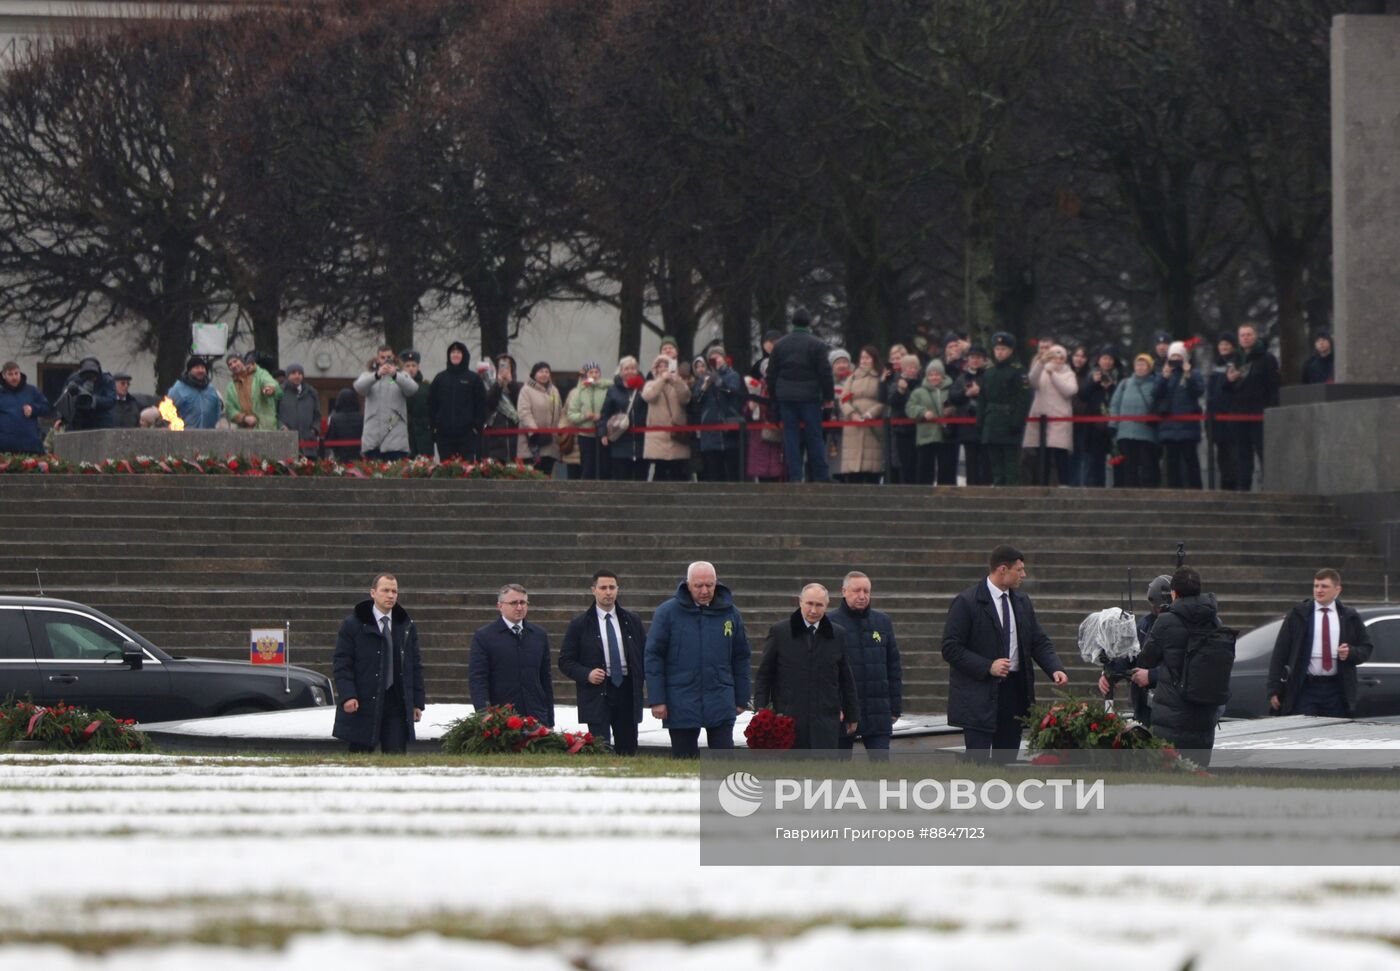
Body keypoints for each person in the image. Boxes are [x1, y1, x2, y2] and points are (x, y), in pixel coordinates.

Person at [941, 545, 1068, 763]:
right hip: (978, 694)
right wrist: (987, 666)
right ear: (1002, 569)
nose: (1023, 575)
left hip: (1014, 692)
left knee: (1007, 762)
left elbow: (1037, 640)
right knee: (977, 764)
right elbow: (951, 648)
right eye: (1019, 570)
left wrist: (1055, 667)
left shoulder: (1021, 602)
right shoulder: (967, 602)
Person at [645, 561, 751, 758]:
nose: (704, 591)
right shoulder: (667, 613)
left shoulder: (730, 613)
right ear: (688, 584)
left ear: (716, 583)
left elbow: (741, 656)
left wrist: (741, 697)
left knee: (724, 761)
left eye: (709, 585)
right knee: (684, 760)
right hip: (680, 699)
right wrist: (657, 699)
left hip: (720, 696)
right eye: (698, 585)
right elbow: (654, 656)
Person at [1134, 566, 1225, 763]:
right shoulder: (1215, 622)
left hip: (1171, 715)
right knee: (1199, 777)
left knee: (1169, 777)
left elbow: (1147, 658)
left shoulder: (1166, 621)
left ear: (1173, 593)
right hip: (1205, 714)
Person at [754, 583, 860, 751]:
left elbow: (846, 678)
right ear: (800, 602)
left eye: (819, 605)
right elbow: (765, 674)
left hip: (825, 720)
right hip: (788, 719)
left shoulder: (838, 634)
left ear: (827, 606)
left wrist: (852, 714)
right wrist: (761, 709)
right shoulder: (780, 632)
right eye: (809, 603)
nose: (813, 610)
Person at [331, 574, 425, 754]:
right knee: (360, 756)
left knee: (396, 756)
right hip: (363, 701)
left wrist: (417, 703)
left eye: (394, 591)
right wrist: (348, 695)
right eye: (385, 590)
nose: (390, 595)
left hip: (396, 701)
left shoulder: (405, 626)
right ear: (373, 593)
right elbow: (342, 663)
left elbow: (414, 665)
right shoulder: (353, 624)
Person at [559, 570, 648, 755]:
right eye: (603, 588)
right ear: (594, 590)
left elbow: (645, 654)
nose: (608, 592)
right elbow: (565, 661)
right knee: (600, 749)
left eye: (612, 587)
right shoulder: (580, 624)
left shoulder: (632, 620)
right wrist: (587, 674)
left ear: (617, 589)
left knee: (628, 748)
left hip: (626, 691)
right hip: (597, 693)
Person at [1267, 568, 1373, 718]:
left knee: (1333, 735)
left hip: (1336, 689)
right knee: (1304, 733)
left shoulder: (1349, 616)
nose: (1319, 590)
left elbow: (1366, 648)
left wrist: (1351, 652)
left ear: (1337, 589)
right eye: (1316, 586)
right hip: (1305, 687)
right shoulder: (1299, 614)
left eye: (1324, 586)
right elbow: (1280, 652)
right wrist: (1274, 689)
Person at [829, 571, 902, 759]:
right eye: (856, 591)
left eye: (866, 591)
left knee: (881, 769)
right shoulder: (829, 623)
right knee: (839, 769)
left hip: (877, 711)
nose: (862, 596)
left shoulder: (882, 621)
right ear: (844, 591)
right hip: (843, 713)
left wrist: (895, 707)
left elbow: (893, 666)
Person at [469, 583, 555, 726]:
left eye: (523, 602)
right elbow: (478, 678)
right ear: (500, 606)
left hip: (536, 716)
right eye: (514, 603)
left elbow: (545, 679)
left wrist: (550, 719)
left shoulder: (539, 635)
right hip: (501, 717)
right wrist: (484, 713)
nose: (520, 607)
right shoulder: (484, 636)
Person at [766, 308, 835, 483]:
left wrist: (774, 400)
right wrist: (828, 397)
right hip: (810, 396)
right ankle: (820, 475)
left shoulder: (780, 345)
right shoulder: (817, 345)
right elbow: (825, 373)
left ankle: (795, 476)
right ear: (808, 323)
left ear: (793, 323)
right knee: (814, 436)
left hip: (786, 397)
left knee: (791, 437)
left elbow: (771, 374)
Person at [1098, 574, 1171, 726]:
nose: (1157, 610)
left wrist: (1151, 676)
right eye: (1154, 607)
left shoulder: (1180, 626)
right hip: (1144, 709)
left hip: (1170, 711)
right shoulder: (1145, 625)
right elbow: (1130, 655)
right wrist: (1110, 673)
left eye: (1160, 607)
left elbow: (1181, 669)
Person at [1222, 322, 1279, 491]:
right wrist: (1229, 381)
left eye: (1249, 334)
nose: (1246, 338)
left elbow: (1274, 387)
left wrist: (1271, 411)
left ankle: (1269, 487)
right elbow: (1226, 389)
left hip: (1259, 414)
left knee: (1263, 452)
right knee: (1241, 453)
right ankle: (1243, 486)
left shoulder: (1267, 358)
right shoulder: (1235, 359)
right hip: (1239, 414)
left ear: (1255, 336)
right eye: (1242, 335)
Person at [1021, 343, 1078, 486]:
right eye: (1054, 358)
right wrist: (1041, 363)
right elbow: (1032, 380)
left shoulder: (1069, 373)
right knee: (1042, 454)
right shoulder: (1042, 371)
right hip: (1041, 418)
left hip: (1060, 419)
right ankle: (1042, 483)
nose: (1058, 361)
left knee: (1060, 453)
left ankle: (1064, 483)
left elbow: (1070, 391)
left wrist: (1053, 375)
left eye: (1061, 358)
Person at [978, 332, 1031, 486]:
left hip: (1009, 420)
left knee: (1010, 462)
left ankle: (1011, 490)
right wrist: (980, 420)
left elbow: (1024, 399)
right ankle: (998, 486)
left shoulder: (1018, 371)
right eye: (997, 349)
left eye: (1003, 349)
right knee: (995, 462)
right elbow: (983, 398)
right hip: (992, 419)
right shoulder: (989, 371)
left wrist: (1017, 421)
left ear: (1011, 351)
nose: (1000, 352)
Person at [1109, 354, 1164, 488]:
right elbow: (1115, 404)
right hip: (1125, 432)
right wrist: (1113, 424)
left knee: (1147, 465)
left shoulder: (1156, 384)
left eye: (1143, 364)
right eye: (1138, 364)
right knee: (1129, 466)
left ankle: (1148, 494)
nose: (1140, 367)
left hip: (1147, 433)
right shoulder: (1125, 383)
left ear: (1149, 367)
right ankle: (1129, 492)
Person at [691, 345, 744, 481]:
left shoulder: (733, 375)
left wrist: (719, 382)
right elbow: (696, 400)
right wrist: (705, 386)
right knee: (714, 472)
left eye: (718, 357)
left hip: (729, 430)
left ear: (724, 358)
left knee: (732, 472)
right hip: (710, 431)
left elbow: (733, 392)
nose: (716, 360)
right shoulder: (703, 379)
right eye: (712, 358)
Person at [353, 348, 416, 461]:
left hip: (396, 441)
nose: (386, 360)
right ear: (377, 359)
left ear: (394, 358)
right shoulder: (368, 375)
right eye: (383, 357)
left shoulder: (402, 375)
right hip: (373, 440)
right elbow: (359, 388)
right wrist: (376, 376)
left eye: (389, 357)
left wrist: (395, 375)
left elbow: (412, 389)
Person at [429, 342, 487, 462]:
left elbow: (481, 405)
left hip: (467, 436)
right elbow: (431, 404)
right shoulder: (440, 378)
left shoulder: (473, 379)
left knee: (467, 472)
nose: (455, 355)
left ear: (464, 355)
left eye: (458, 352)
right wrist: (434, 427)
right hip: (444, 436)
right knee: (446, 472)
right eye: (453, 352)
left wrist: (476, 428)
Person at [1158, 341, 1204, 489]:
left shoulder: (1194, 373)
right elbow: (1156, 394)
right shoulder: (1166, 373)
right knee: (1171, 464)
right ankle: (1173, 492)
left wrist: (1188, 374)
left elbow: (1198, 391)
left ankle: (1196, 491)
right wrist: (1164, 377)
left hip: (1188, 426)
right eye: (1173, 356)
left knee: (1191, 462)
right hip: (1169, 426)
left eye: (1179, 356)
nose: (1176, 359)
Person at [836, 346, 885, 484]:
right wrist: (851, 414)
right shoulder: (852, 377)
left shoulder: (880, 377)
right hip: (853, 427)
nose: (864, 361)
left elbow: (883, 400)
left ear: (874, 359)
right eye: (862, 358)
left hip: (872, 425)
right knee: (853, 472)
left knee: (871, 470)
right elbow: (844, 398)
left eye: (867, 358)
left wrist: (871, 413)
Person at [641, 352, 691, 481]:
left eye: (666, 366)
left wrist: (675, 381)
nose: (663, 369)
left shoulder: (677, 383)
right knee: (660, 471)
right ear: (655, 369)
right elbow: (648, 396)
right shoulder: (650, 384)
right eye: (660, 366)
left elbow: (685, 398)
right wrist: (661, 380)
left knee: (677, 471)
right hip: (658, 436)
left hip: (676, 434)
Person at [599, 356, 648, 481]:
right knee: (621, 483)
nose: (630, 371)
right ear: (620, 371)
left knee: (641, 483)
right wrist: (603, 433)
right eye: (626, 369)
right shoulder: (613, 391)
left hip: (642, 444)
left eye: (633, 368)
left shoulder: (645, 388)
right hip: (620, 444)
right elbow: (604, 414)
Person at [1077, 347, 1120, 488]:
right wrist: (1093, 382)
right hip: (1094, 426)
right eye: (1104, 359)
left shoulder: (1119, 377)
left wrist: (1112, 386)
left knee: (1116, 458)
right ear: (1099, 361)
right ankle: (1095, 486)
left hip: (1112, 424)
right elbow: (1082, 395)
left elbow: (1117, 398)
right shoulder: (1092, 376)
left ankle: (1116, 486)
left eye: (1110, 359)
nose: (1107, 362)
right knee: (1095, 460)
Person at [947, 345, 989, 485]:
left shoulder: (989, 376)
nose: (975, 361)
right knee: (970, 463)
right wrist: (967, 394)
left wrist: (981, 392)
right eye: (972, 358)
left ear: (984, 360)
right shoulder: (961, 378)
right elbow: (952, 396)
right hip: (967, 428)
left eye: (978, 358)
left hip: (984, 426)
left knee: (985, 462)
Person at [907, 358, 953, 485]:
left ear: (942, 375)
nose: (934, 377)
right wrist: (923, 412)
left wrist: (951, 410)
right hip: (926, 435)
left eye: (937, 374)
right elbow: (910, 408)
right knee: (925, 468)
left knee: (946, 468)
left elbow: (957, 404)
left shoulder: (950, 390)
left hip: (945, 435)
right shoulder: (919, 392)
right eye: (931, 375)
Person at [516, 362, 563, 476]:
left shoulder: (554, 391)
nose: (544, 374)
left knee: (547, 478)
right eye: (541, 371)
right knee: (532, 478)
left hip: (551, 443)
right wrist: (535, 432)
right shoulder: (526, 390)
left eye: (547, 372)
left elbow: (559, 412)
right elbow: (524, 412)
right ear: (534, 374)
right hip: (532, 444)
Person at [1206, 332, 1239, 491]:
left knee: (1234, 455)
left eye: (1227, 344)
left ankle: (1234, 486)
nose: (1224, 347)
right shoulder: (1215, 365)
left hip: (1231, 416)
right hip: (1217, 418)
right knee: (1223, 456)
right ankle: (1225, 486)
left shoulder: (1237, 362)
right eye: (1221, 344)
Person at [567, 361, 609, 480]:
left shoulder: (606, 389)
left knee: (604, 468)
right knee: (588, 467)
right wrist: (585, 416)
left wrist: (601, 416)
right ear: (586, 375)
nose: (594, 375)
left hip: (604, 434)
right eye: (591, 372)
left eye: (597, 372)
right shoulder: (578, 392)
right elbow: (571, 415)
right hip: (585, 435)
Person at [883, 352, 922, 484]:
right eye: (909, 367)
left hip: (918, 429)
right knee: (904, 463)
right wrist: (900, 390)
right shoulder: (896, 382)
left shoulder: (921, 384)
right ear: (903, 368)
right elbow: (891, 401)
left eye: (914, 367)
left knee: (917, 463)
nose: (912, 370)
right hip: (902, 429)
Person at [224, 351, 282, 431]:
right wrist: (244, 418)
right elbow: (230, 409)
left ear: (242, 361)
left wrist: (269, 388)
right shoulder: (231, 386)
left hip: (266, 428)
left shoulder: (259, 374)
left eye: (235, 361)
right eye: (230, 364)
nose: (233, 365)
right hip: (245, 431)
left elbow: (270, 383)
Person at [0, 361, 49, 454]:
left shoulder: (31, 391)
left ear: (20, 373)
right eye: (10, 374)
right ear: (3, 376)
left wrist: (33, 409)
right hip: (5, 447)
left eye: (16, 373)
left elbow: (46, 407)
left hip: (30, 445)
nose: (14, 377)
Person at [55, 357, 116, 431]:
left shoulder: (107, 380)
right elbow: (64, 399)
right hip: (79, 420)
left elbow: (111, 400)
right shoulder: (74, 380)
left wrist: (93, 400)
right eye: (87, 376)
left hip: (101, 420)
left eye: (93, 376)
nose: (90, 379)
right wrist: (61, 418)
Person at [277, 363, 322, 458]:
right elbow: (273, 414)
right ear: (288, 375)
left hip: (308, 446)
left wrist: (314, 430)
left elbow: (317, 416)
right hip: (286, 443)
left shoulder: (311, 393)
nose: (297, 376)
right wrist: (281, 426)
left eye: (300, 373)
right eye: (293, 373)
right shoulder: (280, 391)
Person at [167, 356, 223, 430]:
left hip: (208, 436)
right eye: (196, 367)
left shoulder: (211, 390)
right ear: (189, 370)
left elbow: (218, 413)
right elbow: (168, 411)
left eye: (203, 367)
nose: (200, 370)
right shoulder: (178, 389)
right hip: (185, 435)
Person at [484, 354, 522, 463]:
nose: (504, 369)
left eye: (507, 366)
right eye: (501, 366)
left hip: (515, 440)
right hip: (495, 441)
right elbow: (489, 403)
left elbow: (520, 403)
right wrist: (499, 384)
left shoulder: (519, 386)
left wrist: (510, 383)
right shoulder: (489, 385)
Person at [397, 350, 433, 459]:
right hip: (404, 434)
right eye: (407, 365)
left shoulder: (426, 387)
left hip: (424, 435)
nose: (411, 369)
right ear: (402, 368)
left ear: (418, 367)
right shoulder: (395, 385)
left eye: (414, 365)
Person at [325, 388, 363, 462]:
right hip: (357, 459)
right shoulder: (361, 418)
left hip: (339, 458)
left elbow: (330, 441)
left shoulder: (335, 418)